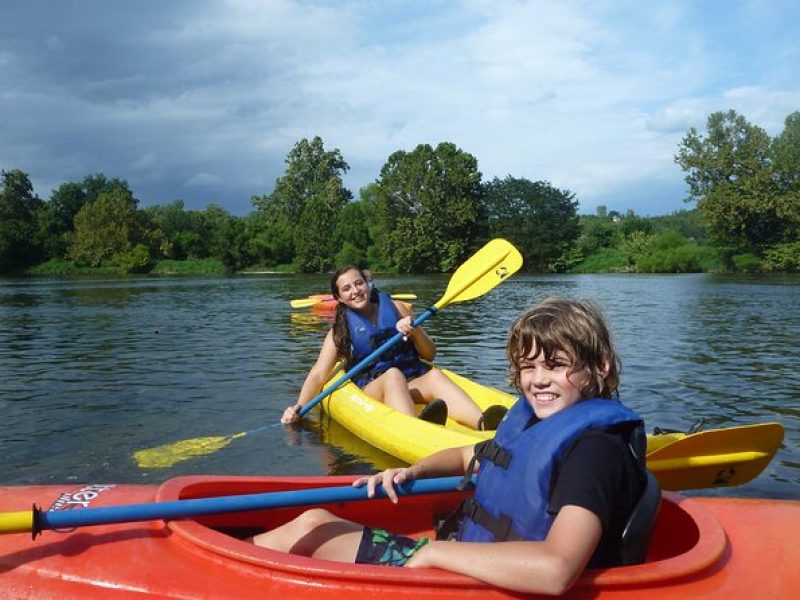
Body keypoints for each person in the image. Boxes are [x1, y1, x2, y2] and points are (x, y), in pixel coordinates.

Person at [261, 297, 648, 596]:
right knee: (314, 520)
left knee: (312, 532)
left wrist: (431, 553)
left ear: (602, 365)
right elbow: (470, 456)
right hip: (469, 562)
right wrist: (414, 471)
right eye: (529, 367)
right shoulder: (538, 422)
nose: (538, 380)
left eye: (557, 365)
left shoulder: (596, 450)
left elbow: (556, 569)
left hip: (481, 585)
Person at [281, 265, 506, 430]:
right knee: (393, 375)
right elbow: (319, 373)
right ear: (339, 298)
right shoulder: (340, 331)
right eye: (347, 288)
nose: (356, 291)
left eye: (359, 283)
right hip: (374, 387)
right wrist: (299, 407)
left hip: (411, 379)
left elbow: (429, 354)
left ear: (367, 284)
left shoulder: (397, 308)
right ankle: (416, 430)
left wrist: (415, 332)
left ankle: (483, 422)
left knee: (435, 375)